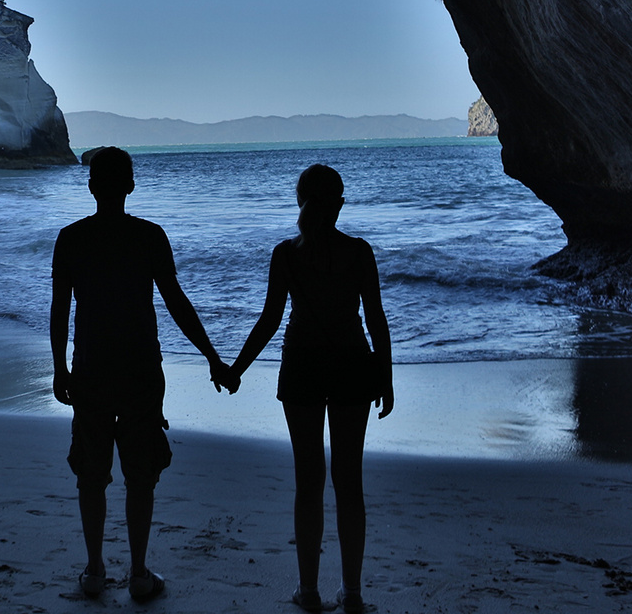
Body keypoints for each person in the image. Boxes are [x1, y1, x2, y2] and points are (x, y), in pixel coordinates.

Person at [50, 146, 237, 602]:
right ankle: (138, 572)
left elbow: (60, 311)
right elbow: (176, 303)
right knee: (141, 474)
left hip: (91, 369)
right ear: (131, 185)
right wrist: (212, 356)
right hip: (140, 372)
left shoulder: (71, 238)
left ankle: (95, 571)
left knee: (91, 474)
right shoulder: (149, 236)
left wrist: (58, 367)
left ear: (92, 185)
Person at [229, 164, 393, 614]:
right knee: (349, 482)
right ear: (339, 203)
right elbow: (376, 321)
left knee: (308, 482)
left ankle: (309, 590)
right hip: (352, 367)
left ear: (299, 201)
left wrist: (235, 369)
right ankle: (353, 593)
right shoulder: (359, 253)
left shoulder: (286, 254)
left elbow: (268, 321)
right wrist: (386, 377)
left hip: (301, 367)